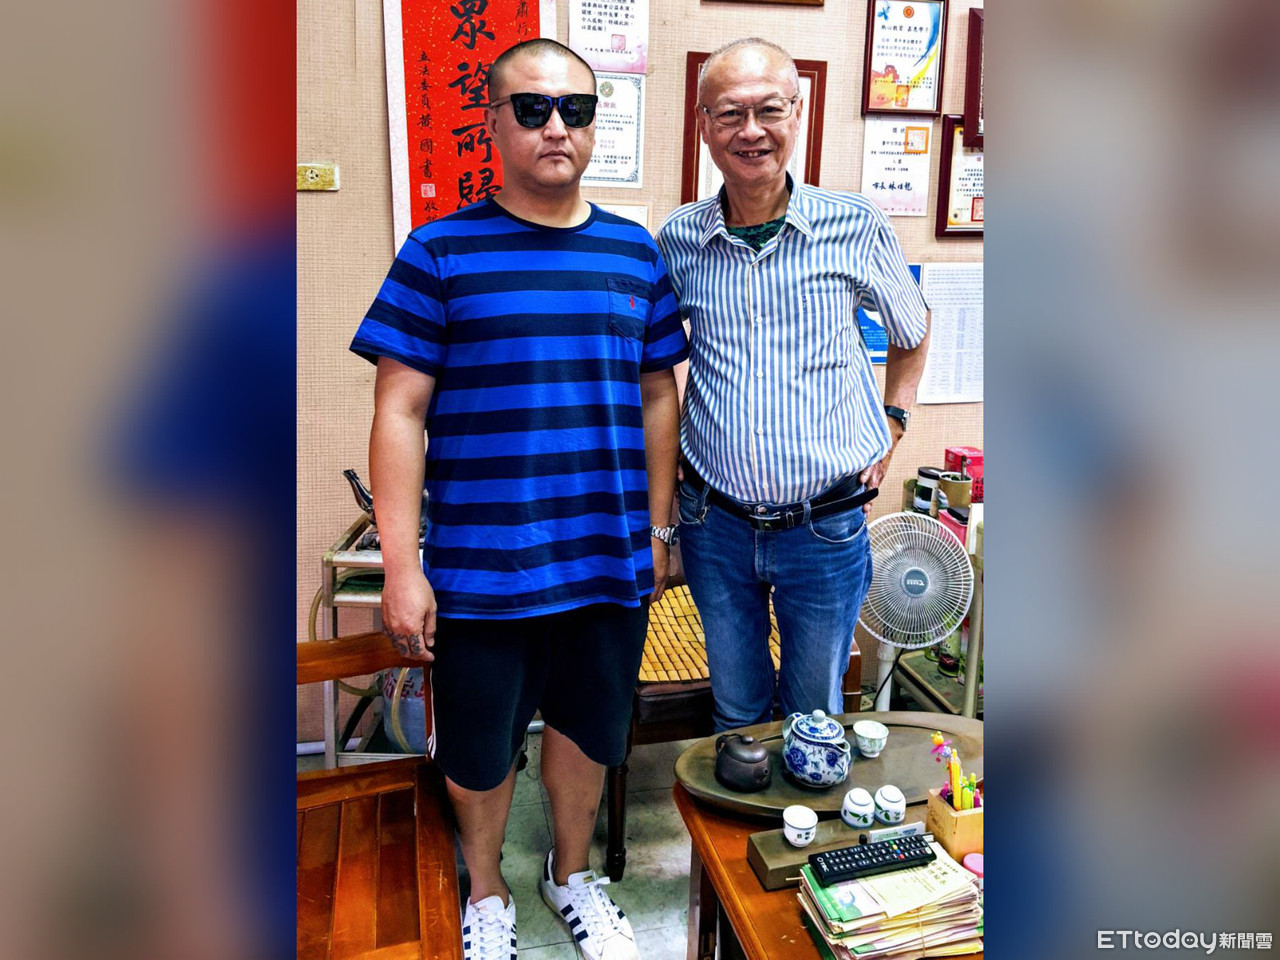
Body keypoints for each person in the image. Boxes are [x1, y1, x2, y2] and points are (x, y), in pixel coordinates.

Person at [349, 39, 686, 960]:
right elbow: (398, 412)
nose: (556, 127)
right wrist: (403, 567)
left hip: (606, 558)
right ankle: (488, 889)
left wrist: (659, 529)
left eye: (576, 109)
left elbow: (659, 395)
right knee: (478, 744)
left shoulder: (634, 253)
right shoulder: (438, 251)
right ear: (492, 123)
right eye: (532, 108)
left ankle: (570, 875)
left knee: (588, 730)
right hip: (482, 565)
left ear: (595, 125)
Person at [657, 38, 931, 732]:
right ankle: (732, 807)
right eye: (730, 113)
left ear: (798, 113)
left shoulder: (854, 225)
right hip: (714, 523)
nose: (751, 130)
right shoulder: (679, 241)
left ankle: (807, 806)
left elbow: (912, 327)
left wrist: (894, 419)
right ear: (703, 125)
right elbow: (653, 366)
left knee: (814, 713)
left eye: (769, 110)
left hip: (825, 526)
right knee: (736, 709)